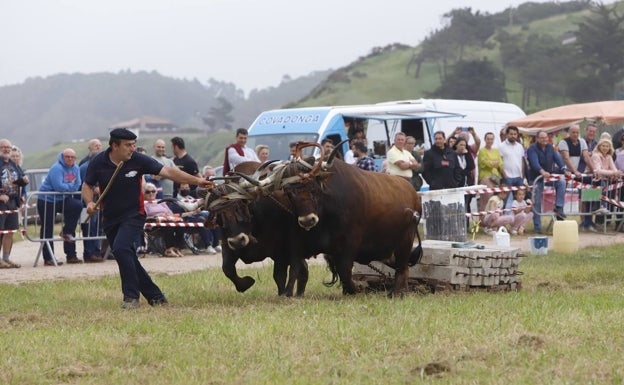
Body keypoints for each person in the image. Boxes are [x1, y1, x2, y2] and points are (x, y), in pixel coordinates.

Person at [83, 128, 213, 309]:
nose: (132, 149)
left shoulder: (137, 160)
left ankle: (131, 297)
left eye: (134, 145)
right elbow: (87, 185)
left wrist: (197, 181)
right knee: (128, 256)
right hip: (110, 217)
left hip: (134, 215)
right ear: (114, 146)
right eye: (128, 145)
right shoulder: (99, 162)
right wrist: (89, 203)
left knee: (120, 249)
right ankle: (156, 297)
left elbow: (168, 171)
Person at [37, 148, 83, 265]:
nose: (70, 159)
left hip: (62, 198)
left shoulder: (76, 168)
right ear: (62, 157)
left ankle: (67, 235)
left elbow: (77, 185)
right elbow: (58, 187)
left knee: (77, 205)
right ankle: (48, 258)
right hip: (47, 199)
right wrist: (70, 186)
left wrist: (68, 187)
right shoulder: (56, 168)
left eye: (72, 157)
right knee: (48, 228)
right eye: (67, 156)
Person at [527, 131, 572, 233]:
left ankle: (559, 207)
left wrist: (564, 170)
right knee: (537, 202)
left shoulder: (550, 147)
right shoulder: (532, 149)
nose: (544, 140)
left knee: (562, 182)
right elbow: (534, 162)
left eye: (546, 137)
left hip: (549, 177)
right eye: (542, 138)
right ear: (537, 138)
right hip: (536, 178)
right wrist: (542, 171)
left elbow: (558, 159)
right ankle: (538, 227)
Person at [0, 139, 28, 269]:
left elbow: (18, 180)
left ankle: (6, 258)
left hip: (13, 201)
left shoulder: (13, 163)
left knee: (10, 231)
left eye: (8, 147)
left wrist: (23, 181)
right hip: (1, 203)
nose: (6, 149)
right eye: (3, 147)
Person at [79, 143, 105, 263]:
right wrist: (95, 189)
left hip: (97, 202)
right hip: (86, 204)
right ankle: (89, 253)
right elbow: (85, 185)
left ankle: (96, 251)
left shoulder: (96, 167)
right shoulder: (85, 167)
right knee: (89, 227)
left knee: (96, 228)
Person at [590, 138, 622, 215]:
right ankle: (602, 207)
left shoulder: (609, 156)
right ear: (599, 146)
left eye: (607, 146)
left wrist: (616, 172)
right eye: (603, 146)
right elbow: (598, 170)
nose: (605, 148)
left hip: (602, 181)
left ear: (609, 147)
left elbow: (614, 168)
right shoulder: (595, 155)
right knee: (588, 203)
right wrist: (614, 173)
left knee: (593, 204)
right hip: (591, 181)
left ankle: (602, 208)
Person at [499, 126, 527, 209]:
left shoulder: (520, 146)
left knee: (520, 201)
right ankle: (502, 220)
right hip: (507, 177)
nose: (513, 136)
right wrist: (505, 176)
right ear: (507, 134)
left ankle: (517, 220)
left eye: (515, 134)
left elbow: (522, 161)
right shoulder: (501, 146)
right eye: (511, 134)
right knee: (505, 200)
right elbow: (500, 162)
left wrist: (522, 176)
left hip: (518, 177)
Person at [477, 132, 504, 211]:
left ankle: (493, 220)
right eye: (488, 139)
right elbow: (484, 163)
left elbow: (501, 164)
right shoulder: (482, 151)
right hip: (485, 178)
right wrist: (493, 163)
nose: (490, 141)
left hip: (495, 178)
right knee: (486, 199)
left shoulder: (496, 151)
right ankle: (484, 220)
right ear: (485, 140)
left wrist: (492, 162)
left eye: (491, 139)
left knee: (495, 200)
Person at [454, 137, 475, 220]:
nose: (463, 147)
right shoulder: (453, 155)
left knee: (466, 204)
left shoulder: (467, 154)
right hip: (457, 183)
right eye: (461, 145)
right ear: (456, 145)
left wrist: (467, 154)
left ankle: (466, 225)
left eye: (464, 145)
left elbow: (471, 166)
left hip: (467, 183)